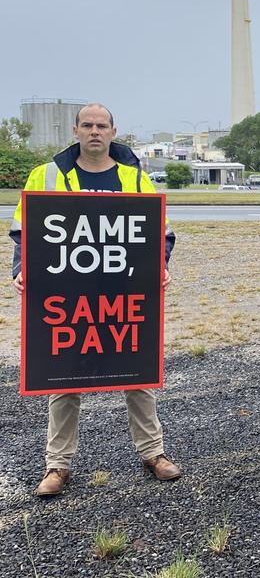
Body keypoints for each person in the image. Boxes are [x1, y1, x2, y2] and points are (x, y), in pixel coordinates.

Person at [9, 103, 180, 496]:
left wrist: (160, 265)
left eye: (101, 126)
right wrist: (21, 268)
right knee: (62, 378)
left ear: (113, 131)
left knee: (138, 373)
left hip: (123, 296)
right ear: (75, 130)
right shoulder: (46, 175)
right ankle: (58, 465)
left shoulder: (135, 178)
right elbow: (24, 229)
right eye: (87, 125)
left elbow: (161, 232)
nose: (94, 132)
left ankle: (154, 454)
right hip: (66, 298)